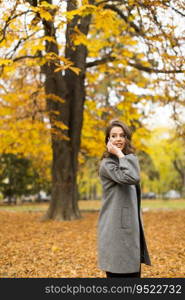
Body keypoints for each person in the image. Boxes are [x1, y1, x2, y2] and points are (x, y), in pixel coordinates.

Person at [97, 119, 151, 278]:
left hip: (129, 229)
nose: (118, 139)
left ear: (127, 139)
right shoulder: (107, 165)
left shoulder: (126, 161)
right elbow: (133, 177)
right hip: (116, 230)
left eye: (122, 135)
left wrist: (123, 156)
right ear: (108, 140)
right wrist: (120, 154)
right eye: (113, 136)